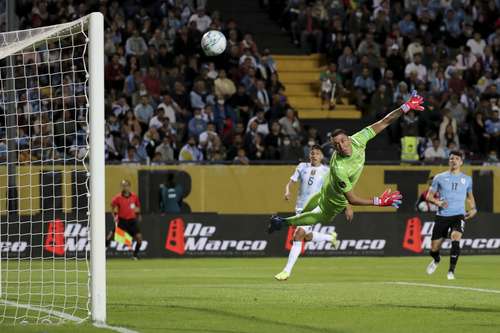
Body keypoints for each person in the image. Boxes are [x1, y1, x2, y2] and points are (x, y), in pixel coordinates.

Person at [267, 92, 425, 235]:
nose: (341, 146)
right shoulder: (339, 168)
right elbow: (352, 199)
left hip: (328, 184)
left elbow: (385, 122)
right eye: (336, 145)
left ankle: (285, 220)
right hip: (334, 200)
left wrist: (406, 106)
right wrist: (378, 201)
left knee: (313, 205)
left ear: (349, 138)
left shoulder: (359, 139)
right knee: (319, 217)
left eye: (343, 141)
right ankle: (282, 222)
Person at [275, 145, 352, 281]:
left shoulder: (327, 171)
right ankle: (330, 238)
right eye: (312, 153)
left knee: (298, 236)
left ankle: (286, 271)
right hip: (300, 208)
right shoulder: (302, 166)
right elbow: (291, 182)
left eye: (317, 153)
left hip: (315, 208)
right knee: (306, 236)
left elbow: (340, 188)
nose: (314, 155)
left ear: (322, 157)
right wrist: (287, 191)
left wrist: (347, 205)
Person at [424, 151, 477, 280]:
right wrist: (438, 202)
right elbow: (428, 196)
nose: (454, 160)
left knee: (455, 237)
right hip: (442, 216)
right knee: (433, 249)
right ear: (449, 161)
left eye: (457, 158)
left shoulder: (467, 179)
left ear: (461, 162)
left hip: (458, 215)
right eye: (452, 158)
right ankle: (436, 259)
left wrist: (473, 208)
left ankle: (451, 271)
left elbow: (470, 197)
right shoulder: (439, 177)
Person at [106, 180, 143, 260]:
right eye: (123, 185)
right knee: (109, 236)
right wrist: (114, 216)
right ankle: (102, 254)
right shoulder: (118, 197)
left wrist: (139, 214)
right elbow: (112, 206)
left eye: (126, 185)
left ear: (129, 186)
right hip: (122, 221)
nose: (124, 187)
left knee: (139, 239)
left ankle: (135, 256)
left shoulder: (134, 196)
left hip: (132, 221)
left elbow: (138, 206)